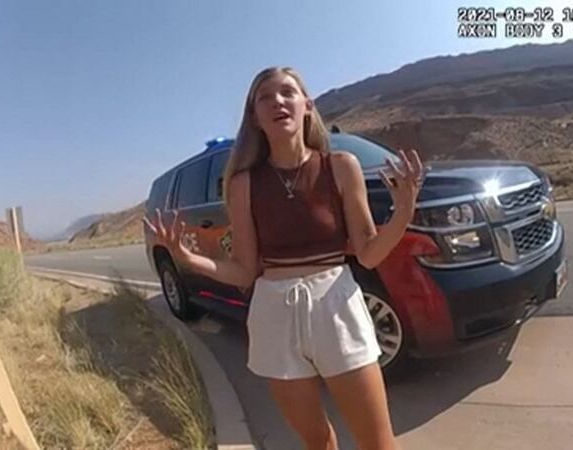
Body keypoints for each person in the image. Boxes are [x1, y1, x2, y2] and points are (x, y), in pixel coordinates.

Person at [144, 66, 423, 450]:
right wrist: (189, 260)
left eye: (287, 92)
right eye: (265, 97)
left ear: (307, 105)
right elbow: (245, 268)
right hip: (274, 314)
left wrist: (403, 212)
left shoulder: (341, 167)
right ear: (255, 118)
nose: (277, 101)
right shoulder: (242, 183)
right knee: (315, 440)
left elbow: (369, 254)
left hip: (336, 306)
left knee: (377, 442)